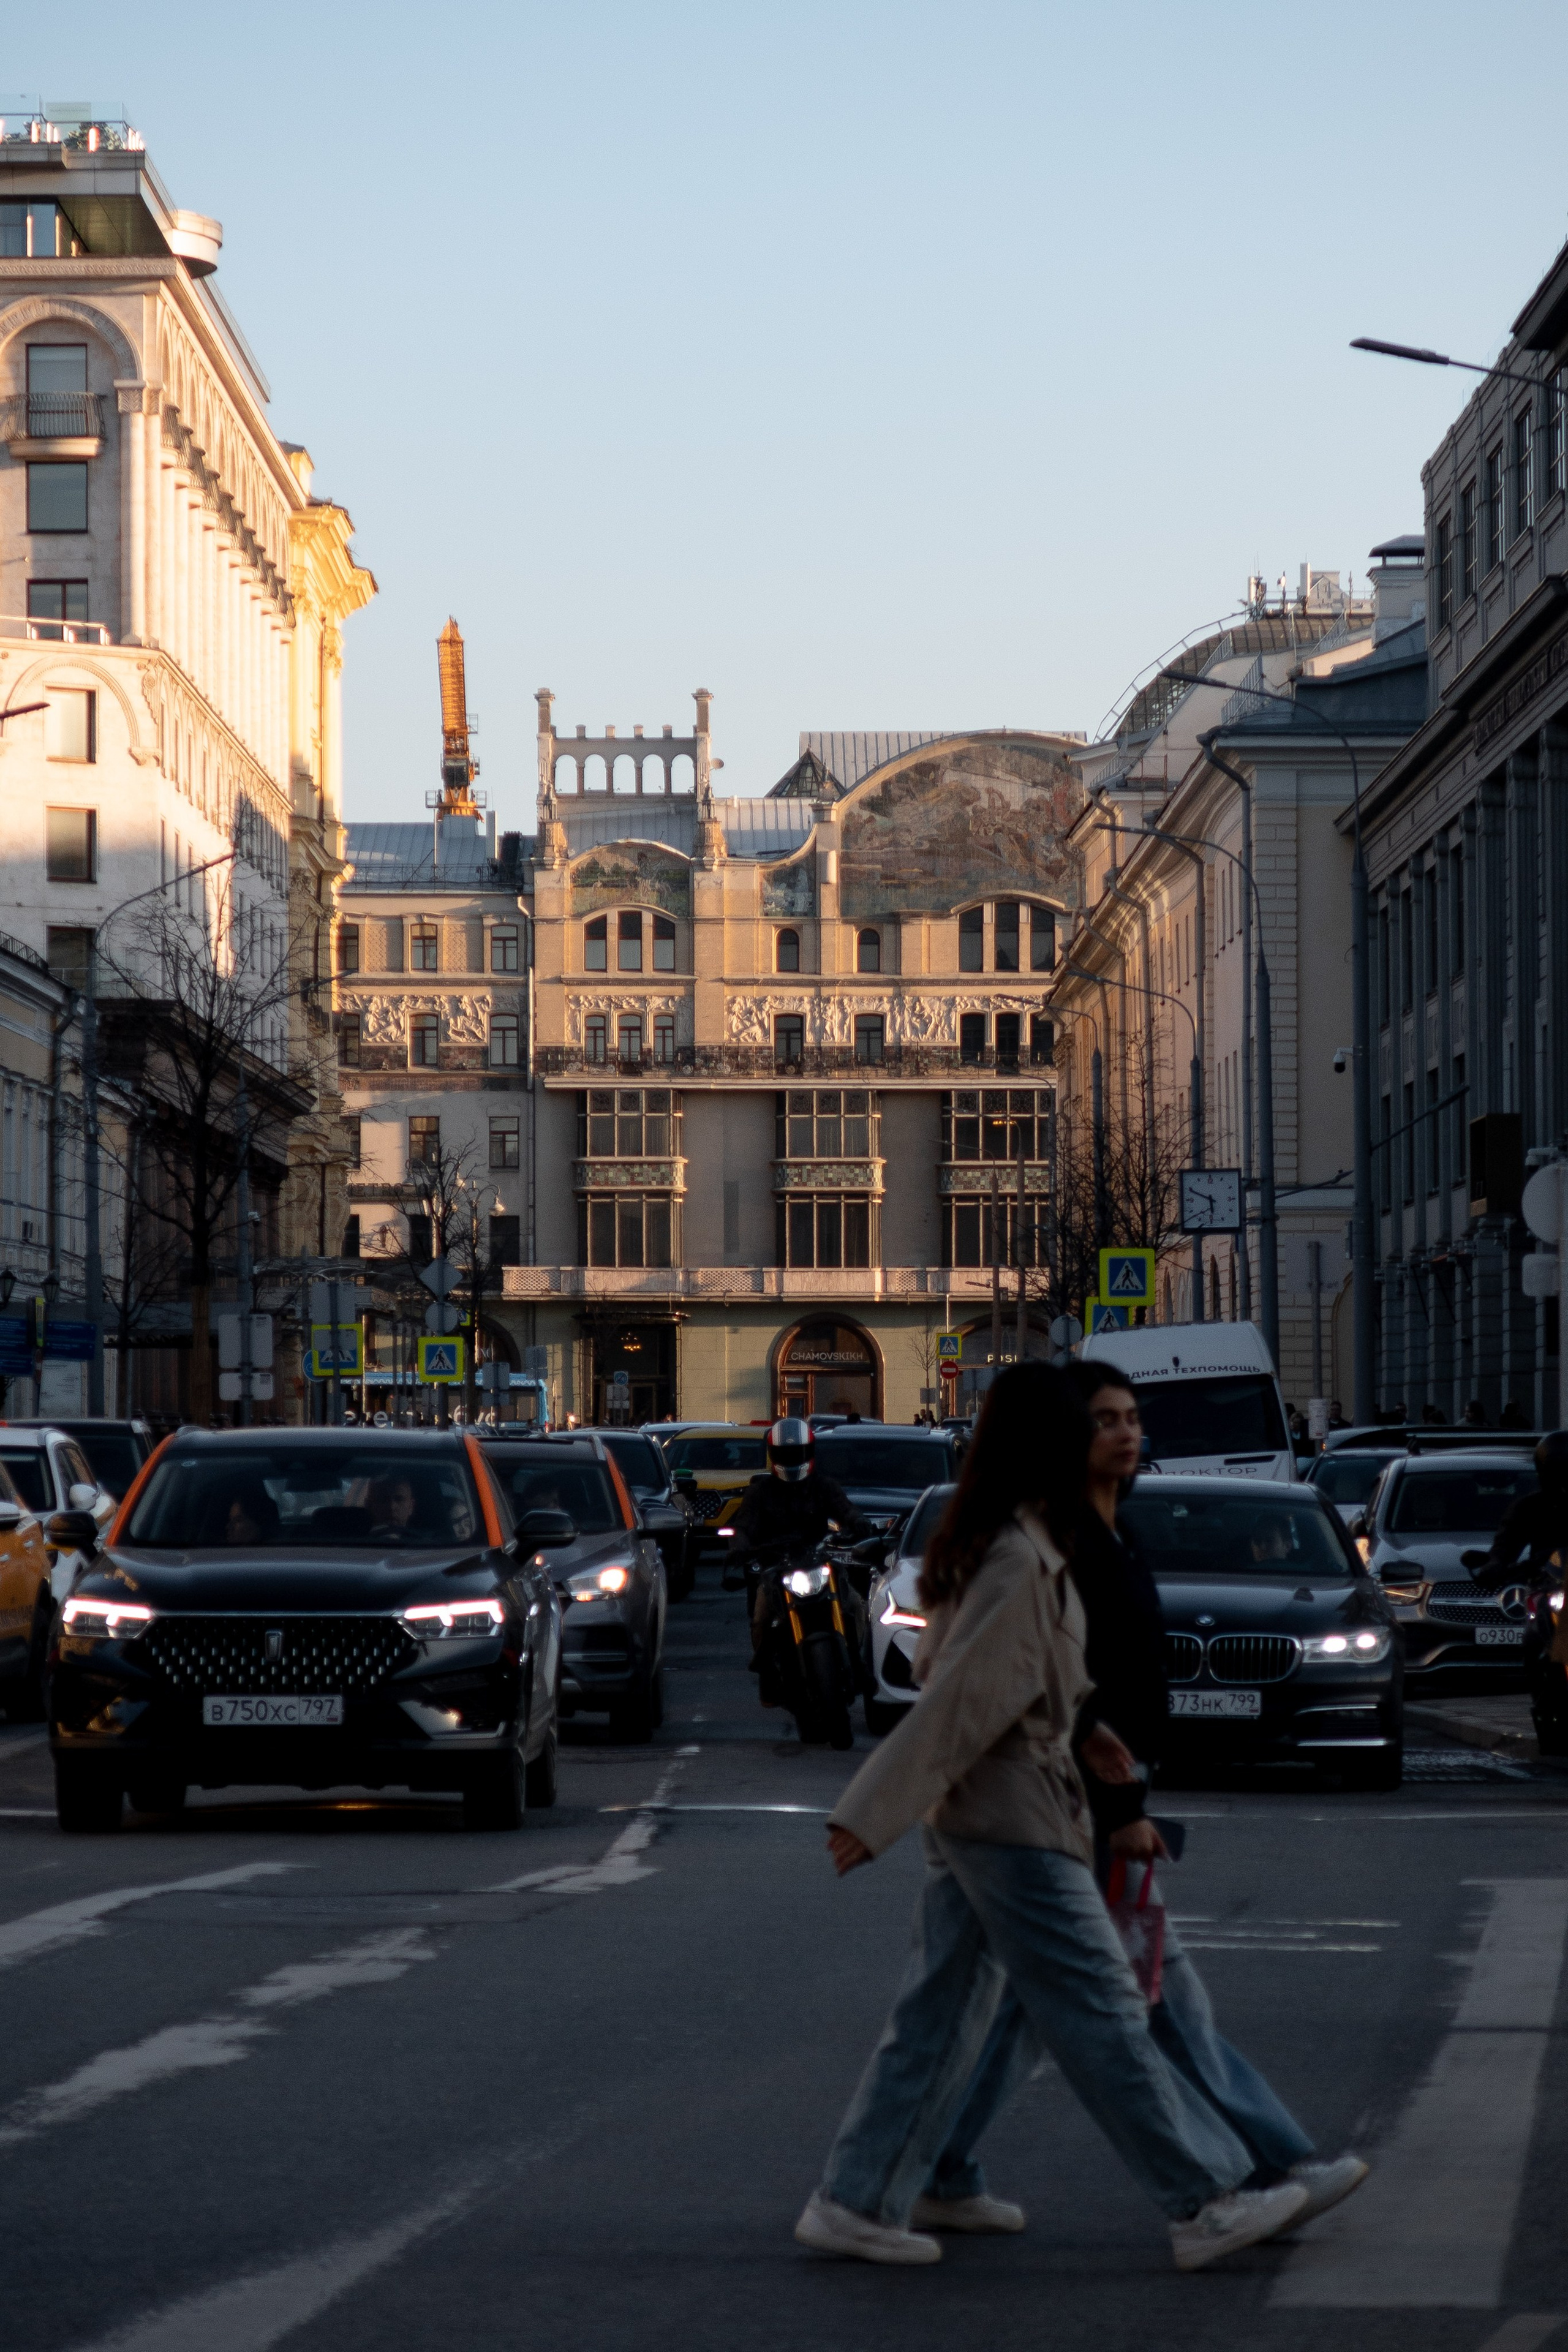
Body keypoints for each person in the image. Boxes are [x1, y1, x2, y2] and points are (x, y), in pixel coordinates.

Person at [794, 1365, 1312, 2273]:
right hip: (1010, 1817)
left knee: (940, 2019)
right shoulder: (1015, 1554)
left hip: (1011, 1802)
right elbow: (958, 1696)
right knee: (1105, 2013)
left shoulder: (1022, 1540)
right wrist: (871, 1813)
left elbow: (1017, 1675)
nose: (1110, 1437)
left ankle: (862, 2198)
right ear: (1047, 1442)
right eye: (1088, 1423)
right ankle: (1204, 2200)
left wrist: (1086, 1734)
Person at [915, 1363, 1364, 2235]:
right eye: (1105, 1420)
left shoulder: (1115, 1532)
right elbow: (1044, 1687)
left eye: (1132, 1418)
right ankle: (1252, 2173)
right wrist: (1121, 1811)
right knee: (1146, 1998)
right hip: (1065, 1805)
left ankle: (936, 2164)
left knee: (1027, 2009)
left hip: (1091, 1798)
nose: (1127, 1434)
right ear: (1065, 1438)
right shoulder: (1057, 1543)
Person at [1476, 1431, 1568, 1587]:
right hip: (1547, 1586)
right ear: (1544, 1470)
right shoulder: (1529, 1507)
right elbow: (1506, 1543)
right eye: (1557, 1469)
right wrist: (1495, 1564)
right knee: (1535, 1606)